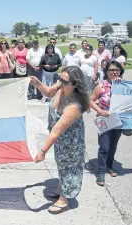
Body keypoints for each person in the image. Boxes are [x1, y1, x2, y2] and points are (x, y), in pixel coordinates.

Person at [30, 66, 90, 214]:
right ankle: (60, 189)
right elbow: (49, 92)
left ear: (75, 84)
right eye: (60, 79)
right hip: (60, 141)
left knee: (70, 168)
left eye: (64, 81)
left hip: (71, 143)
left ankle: (65, 198)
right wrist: (38, 84)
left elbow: (56, 131)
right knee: (61, 164)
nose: (60, 82)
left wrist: (42, 151)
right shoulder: (62, 86)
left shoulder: (74, 106)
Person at [90, 61, 125, 187]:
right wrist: (99, 110)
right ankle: (100, 172)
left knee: (113, 146)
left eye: (117, 69)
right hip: (103, 119)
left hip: (118, 120)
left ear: (120, 71)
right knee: (104, 146)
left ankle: (109, 165)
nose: (114, 72)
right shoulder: (101, 86)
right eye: (111, 70)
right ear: (106, 72)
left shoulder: (124, 86)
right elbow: (91, 100)